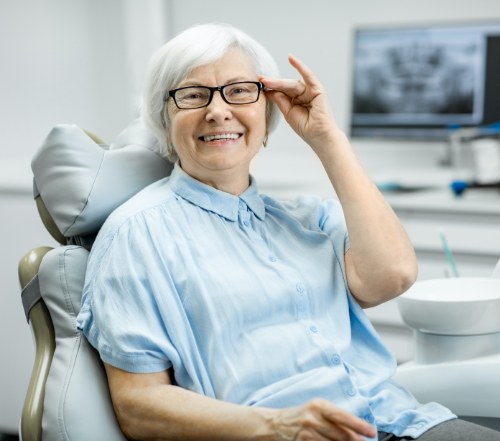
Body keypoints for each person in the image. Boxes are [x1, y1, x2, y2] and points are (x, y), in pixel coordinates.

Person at [77, 23, 500, 441]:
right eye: (193, 95)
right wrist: (275, 426)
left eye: (240, 91)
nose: (218, 110)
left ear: (267, 109)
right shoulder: (135, 235)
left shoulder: (307, 219)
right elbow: (139, 405)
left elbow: (393, 277)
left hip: (402, 419)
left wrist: (327, 138)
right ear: (164, 116)